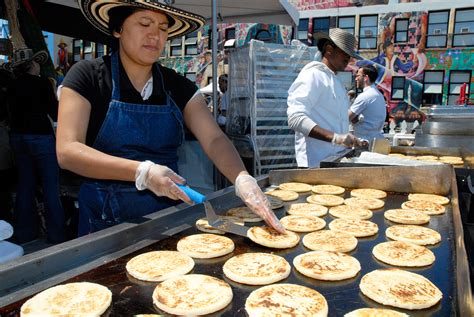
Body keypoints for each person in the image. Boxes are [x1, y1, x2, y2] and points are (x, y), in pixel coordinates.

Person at [57, 0, 284, 236]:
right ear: (118, 29)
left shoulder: (178, 86)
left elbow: (215, 139)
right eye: (144, 23)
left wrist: (242, 178)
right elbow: (68, 151)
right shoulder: (88, 77)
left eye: (163, 28)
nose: (154, 35)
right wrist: (142, 172)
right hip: (106, 225)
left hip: (167, 218)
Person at [5, 48, 66, 244]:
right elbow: (56, 113)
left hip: (17, 137)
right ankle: (56, 235)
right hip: (40, 137)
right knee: (50, 187)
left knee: (25, 186)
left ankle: (25, 233)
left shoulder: (11, 85)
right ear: (32, 65)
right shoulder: (42, 83)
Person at [287, 28, 367, 168]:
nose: (349, 59)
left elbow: (334, 121)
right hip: (314, 164)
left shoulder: (335, 81)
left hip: (332, 161)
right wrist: (336, 138)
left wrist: (351, 140)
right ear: (329, 49)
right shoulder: (313, 75)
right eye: (345, 53)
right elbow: (295, 118)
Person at [349, 65, 387, 143]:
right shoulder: (379, 95)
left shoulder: (365, 96)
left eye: (358, 76)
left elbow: (346, 118)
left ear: (366, 77)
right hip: (376, 140)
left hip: (364, 141)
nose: (356, 79)